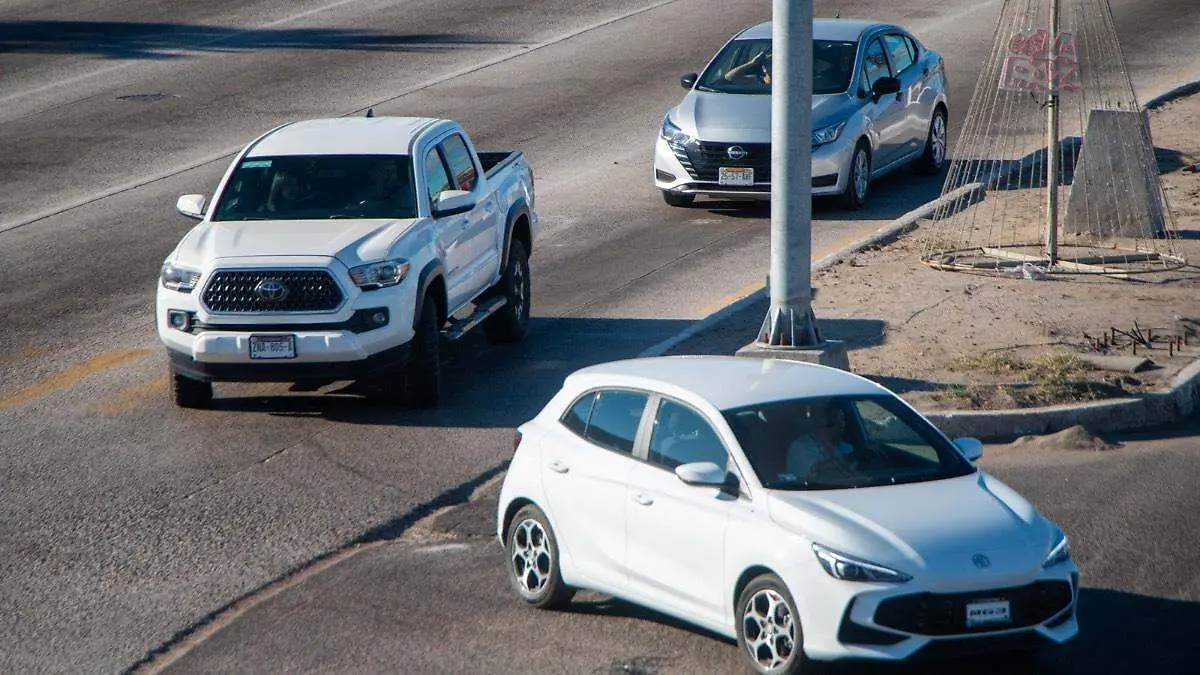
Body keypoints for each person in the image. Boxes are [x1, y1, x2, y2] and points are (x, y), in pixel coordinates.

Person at [784, 401, 859, 484]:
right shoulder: (799, 448)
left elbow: (856, 473)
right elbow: (822, 472)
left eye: (843, 421)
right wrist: (848, 460)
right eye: (837, 422)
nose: (842, 425)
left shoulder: (845, 447)